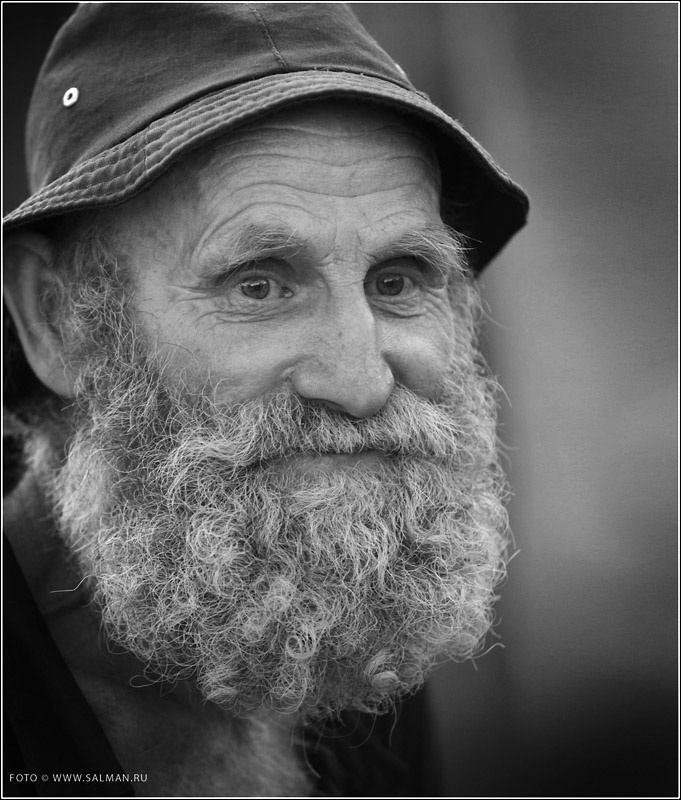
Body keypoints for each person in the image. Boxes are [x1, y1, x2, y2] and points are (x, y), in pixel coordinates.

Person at [2, 3, 528, 796]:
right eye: (258, 285)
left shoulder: (339, 632)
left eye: (397, 281)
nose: (360, 383)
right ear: (58, 317)